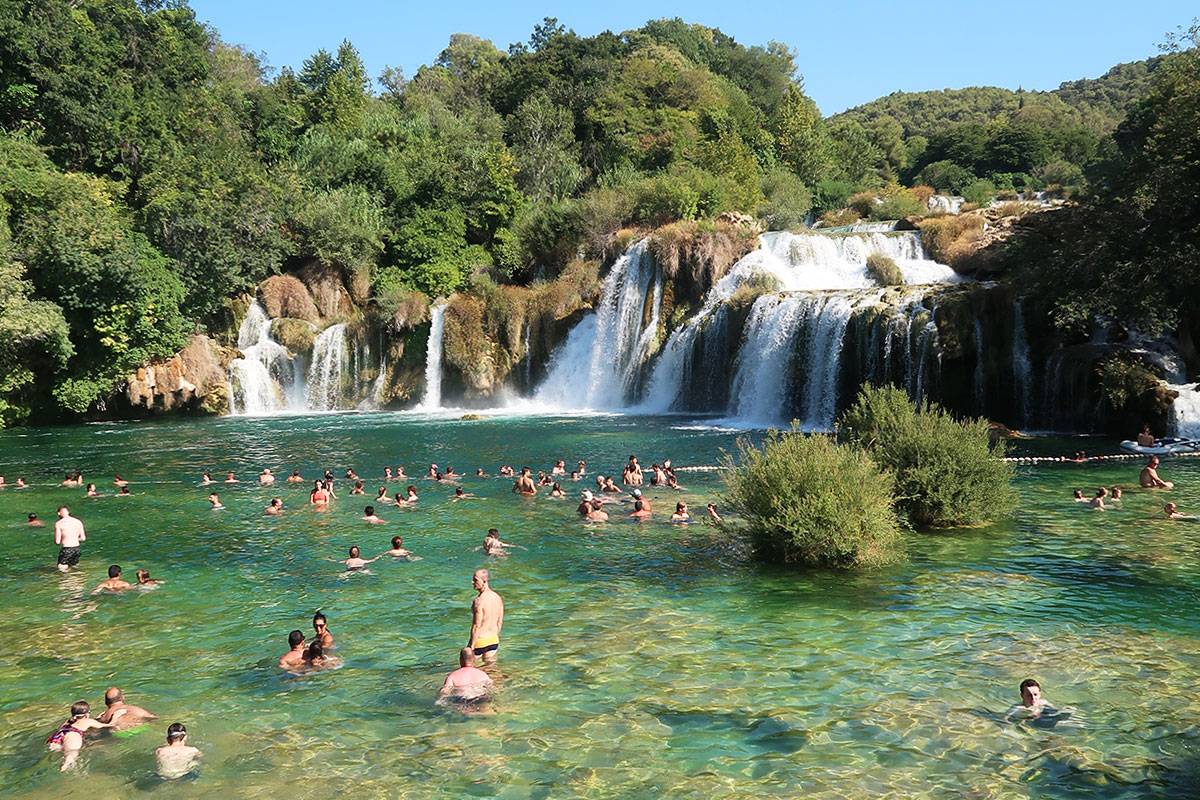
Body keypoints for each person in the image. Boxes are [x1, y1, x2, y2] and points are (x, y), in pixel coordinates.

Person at [48, 700, 119, 771]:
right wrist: (116, 716)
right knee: (71, 755)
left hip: (58, 736)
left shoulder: (68, 721)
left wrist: (98, 718)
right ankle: (64, 767)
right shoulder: (89, 721)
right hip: (73, 736)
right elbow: (109, 725)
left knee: (57, 752)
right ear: (86, 715)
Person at [468, 569, 504, 665]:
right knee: (491, 669)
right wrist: (497, 637)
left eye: (475, 580)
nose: (472, 582)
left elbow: (477, 626)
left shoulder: (479, 601)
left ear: (484, 582)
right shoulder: (498, 597)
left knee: (472, 670)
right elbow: (499, 622)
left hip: (480, 641)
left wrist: (471, 646)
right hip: (493, 640)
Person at [54, 506, 86, 571]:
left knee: (61, 568)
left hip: (67, 549)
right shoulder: (78, 521)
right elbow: (83, 538)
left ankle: (66, 580)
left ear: (59, 513)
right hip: (77, 549)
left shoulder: (59, 523)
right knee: (74, 567)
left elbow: (57, 541)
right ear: (68, 512)